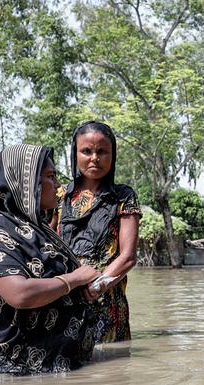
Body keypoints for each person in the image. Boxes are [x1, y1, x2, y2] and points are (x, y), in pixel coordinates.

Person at [0, 144, 106, 375]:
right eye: (51, 177)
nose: (60, 187)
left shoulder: (37, 229)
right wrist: (74, 279)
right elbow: (20, 294)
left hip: (59, 367)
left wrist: (84, 288)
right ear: (26, 182)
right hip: (19, 373)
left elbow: (54, 282)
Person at [54, 121, 141, 343]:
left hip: (107, 297)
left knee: (112, 370)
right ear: (75, 154)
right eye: (87, 151)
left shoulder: (123, 197)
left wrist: (98, 285)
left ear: (112, 156)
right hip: (65, 296)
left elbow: (128, 256)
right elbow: (48, 243)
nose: (95, 158)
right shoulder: (60, 195)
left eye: (102, 152)